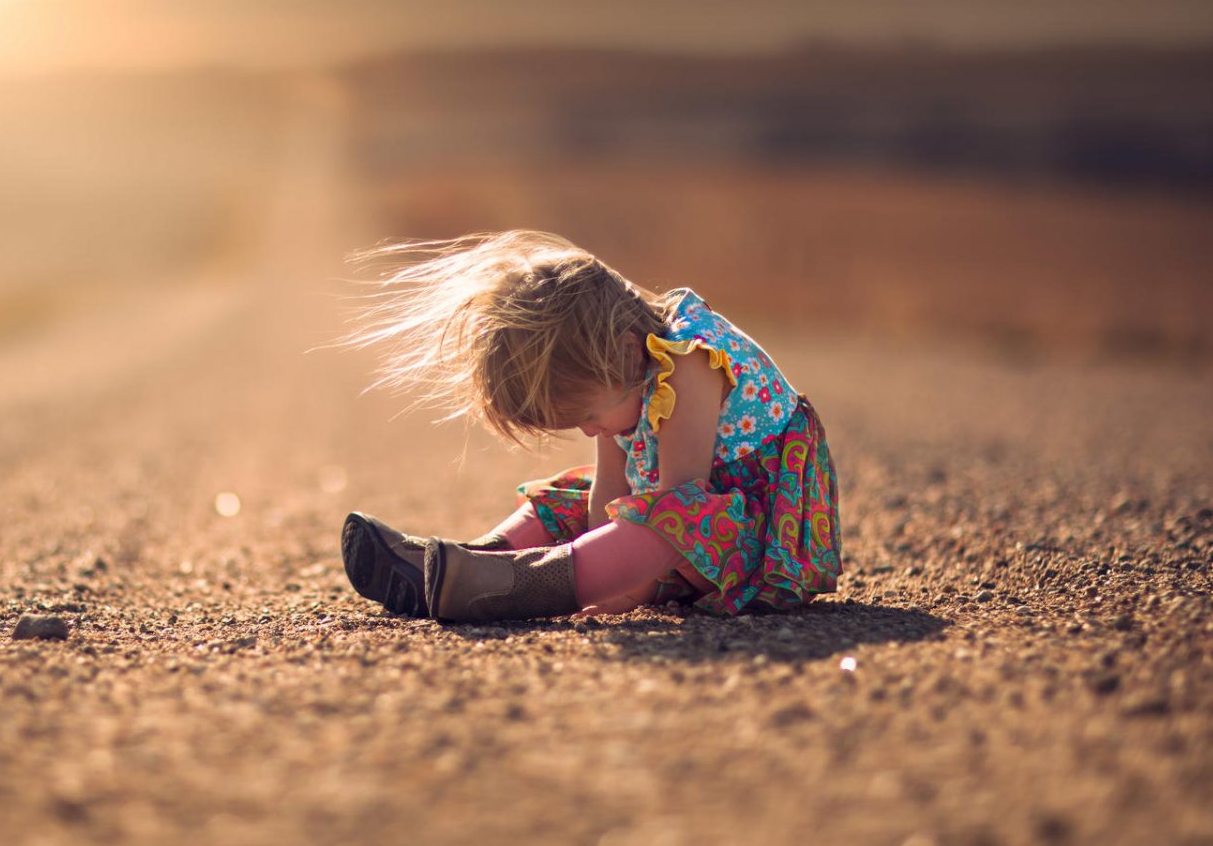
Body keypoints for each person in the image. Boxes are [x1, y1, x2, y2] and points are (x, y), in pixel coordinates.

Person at [337, 230, 841, 623]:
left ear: (622, 352)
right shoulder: (626, 372)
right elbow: (609, 492)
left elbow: (682, 503)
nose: (589, 432)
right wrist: (601, 551)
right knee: (566, 499)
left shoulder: (691, 362)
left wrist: (624, 588)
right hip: (699, 522)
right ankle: (474, 561)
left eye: (588, 417)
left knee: (672, 519)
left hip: (762, 533)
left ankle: (510, 585)